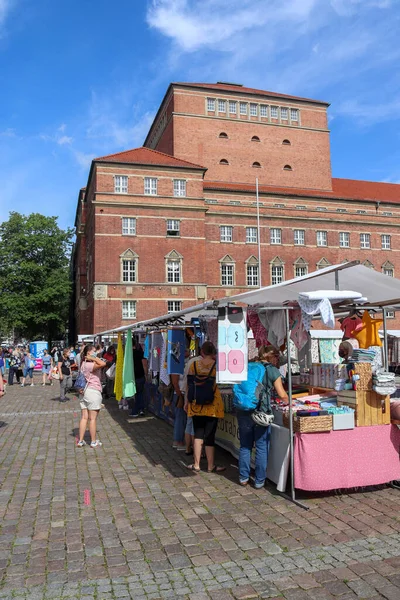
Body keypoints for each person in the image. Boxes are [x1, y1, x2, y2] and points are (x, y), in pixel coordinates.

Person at [237, 345, 288, 489]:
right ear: (271, 357)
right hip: (261, 413)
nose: (278, 360)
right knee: (261, 447)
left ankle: (243, 477)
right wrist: (289, 401)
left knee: (245, 446)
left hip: (244, 409)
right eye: (277, 357)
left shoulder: (247, 366)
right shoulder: (272, 370)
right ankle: (259, 480)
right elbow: (282, 394)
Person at [185, 342, 225, 473]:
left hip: (196, 405)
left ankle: (196, 464)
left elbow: (188, 386)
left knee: (198, 434)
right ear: (214, 352)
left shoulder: (194, 365)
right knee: (210, 436)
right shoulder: (217, 367)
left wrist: (186, 402)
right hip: (212, 405)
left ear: (202, 351)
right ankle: (210, 466)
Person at [77, 344, 107, 448]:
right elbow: (103, 363)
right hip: (93, 391)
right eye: (94, 351)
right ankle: (93, 442)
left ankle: (80, 441)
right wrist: (93, 357)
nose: (96, 352)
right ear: (88, 353)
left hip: (84, 392)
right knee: (92, 419)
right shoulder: (89, 364)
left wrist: (92, 358)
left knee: (84, 417)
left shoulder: (83, 363)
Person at [128, 337, 146, 417]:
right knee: (140, 393)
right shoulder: (140, 353)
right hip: (140, 375)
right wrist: (146, 374)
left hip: (131, 377)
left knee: (133, 395)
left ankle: (134, 411)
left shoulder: (127, 355)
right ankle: (141, 409)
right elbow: (144, 364)